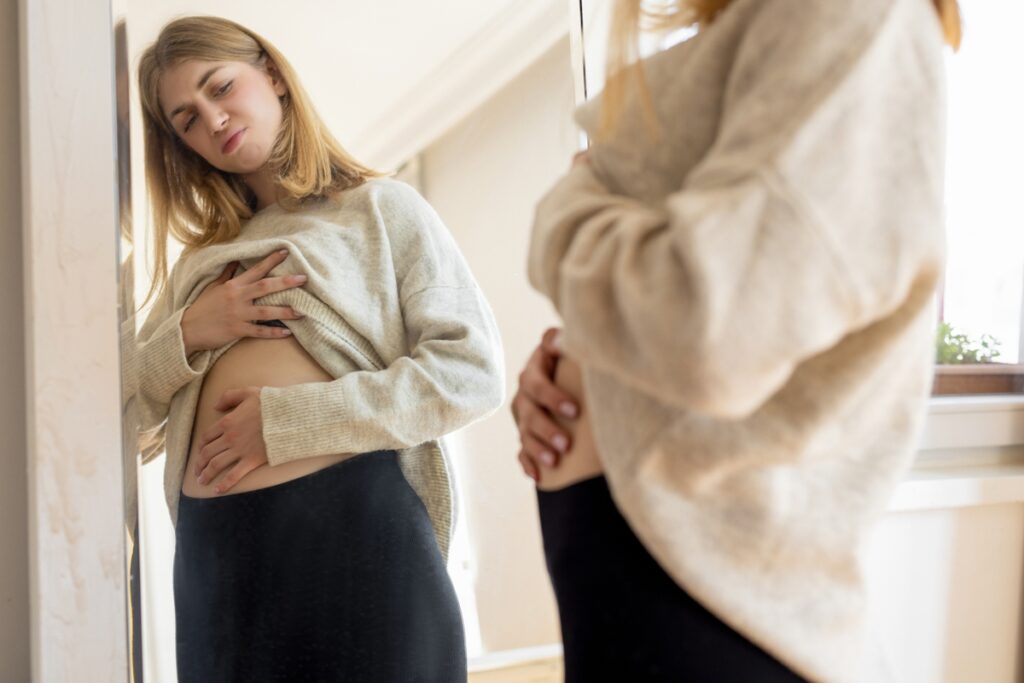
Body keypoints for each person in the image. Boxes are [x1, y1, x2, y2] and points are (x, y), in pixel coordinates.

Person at [513, 0, 961, 681]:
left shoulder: (854, 15)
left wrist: (564, 208)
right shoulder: (767, 25)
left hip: (706, 609)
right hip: (649, 586)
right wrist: (584, 361)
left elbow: (709, 325)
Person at [132, 16, 504, 682]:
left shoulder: (382, 209)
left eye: (221, 87)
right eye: (186, 118)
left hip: (359, 540)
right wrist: (193, 331)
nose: (213, 119)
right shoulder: (199, 266)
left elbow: (469, 372)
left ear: (272, 75)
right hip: (216, 563)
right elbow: (119, 413)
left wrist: (287, 425)